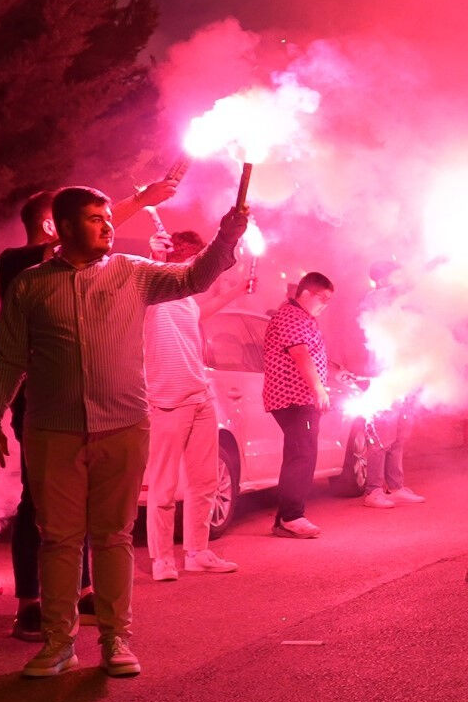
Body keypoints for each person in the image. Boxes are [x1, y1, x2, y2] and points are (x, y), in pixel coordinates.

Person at [0, 186, 245, 678]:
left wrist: (225, 239)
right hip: (52, 431)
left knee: (113, 537)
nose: (108, 225)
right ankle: (58, 643)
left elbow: (193, 277)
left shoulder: (131, 273)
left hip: (122, 425)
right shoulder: (31, 285)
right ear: (62, 227)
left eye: (107, 217)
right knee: (57, 539)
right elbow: (8, 358)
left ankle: (116, 639)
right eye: (95, 218)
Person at [0, 179, 176, 639]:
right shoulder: (19, 265)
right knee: (41, 504)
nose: (103, 226)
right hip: (43, 408)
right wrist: (141, 201)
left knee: (88, 506)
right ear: (52, 224)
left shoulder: (94, 270)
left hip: (96, 411)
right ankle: (30, 603)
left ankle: (82, 592)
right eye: (89, 219)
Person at [142, 228, 251, 579]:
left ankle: (197, 552)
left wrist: (237, 287)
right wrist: (156, 255)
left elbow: (207, 308)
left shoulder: (187, 299)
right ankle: (161, 559)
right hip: (167, 400)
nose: (199, 269)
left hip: (201, 397)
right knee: (163, 486)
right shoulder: (154, 290)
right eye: (194, 261)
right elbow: (151, 272)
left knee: (204, 481)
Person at [264, 271, 336, 538]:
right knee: (302, 454)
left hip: (299, 398)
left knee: (299, 453)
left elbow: (311, 353)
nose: (325, 305)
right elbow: (299, 352)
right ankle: (292, 517)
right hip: (293, 398)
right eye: (323, 298)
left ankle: (286, 517)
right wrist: (318, 389)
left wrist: (336, 373)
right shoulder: (292, 316)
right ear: (306, 294)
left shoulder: (303, 318)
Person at [357, 263, 426, 510]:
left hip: (402, 374)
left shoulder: (397, 299)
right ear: (383, 277)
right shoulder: (374, 298)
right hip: (382, 375)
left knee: (399, 436)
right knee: (380, 437)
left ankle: (396, 487)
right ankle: (373, 490)